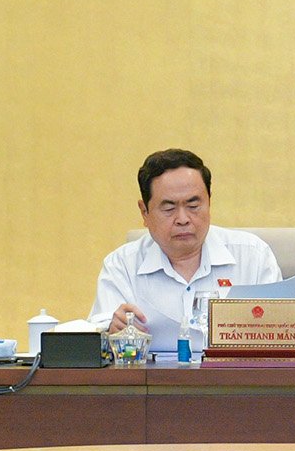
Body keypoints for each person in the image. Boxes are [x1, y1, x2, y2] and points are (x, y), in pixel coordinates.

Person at [90, 148, 281, 345]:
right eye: (169, 208)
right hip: (154, 376)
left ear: (209, 202)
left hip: (235, 375)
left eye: (193, 206)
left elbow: (282, 334)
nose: (183, 219)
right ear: (144, 211)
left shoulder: (253, 256)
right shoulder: (122, 266)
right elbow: (97, 335)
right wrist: (111, 329)